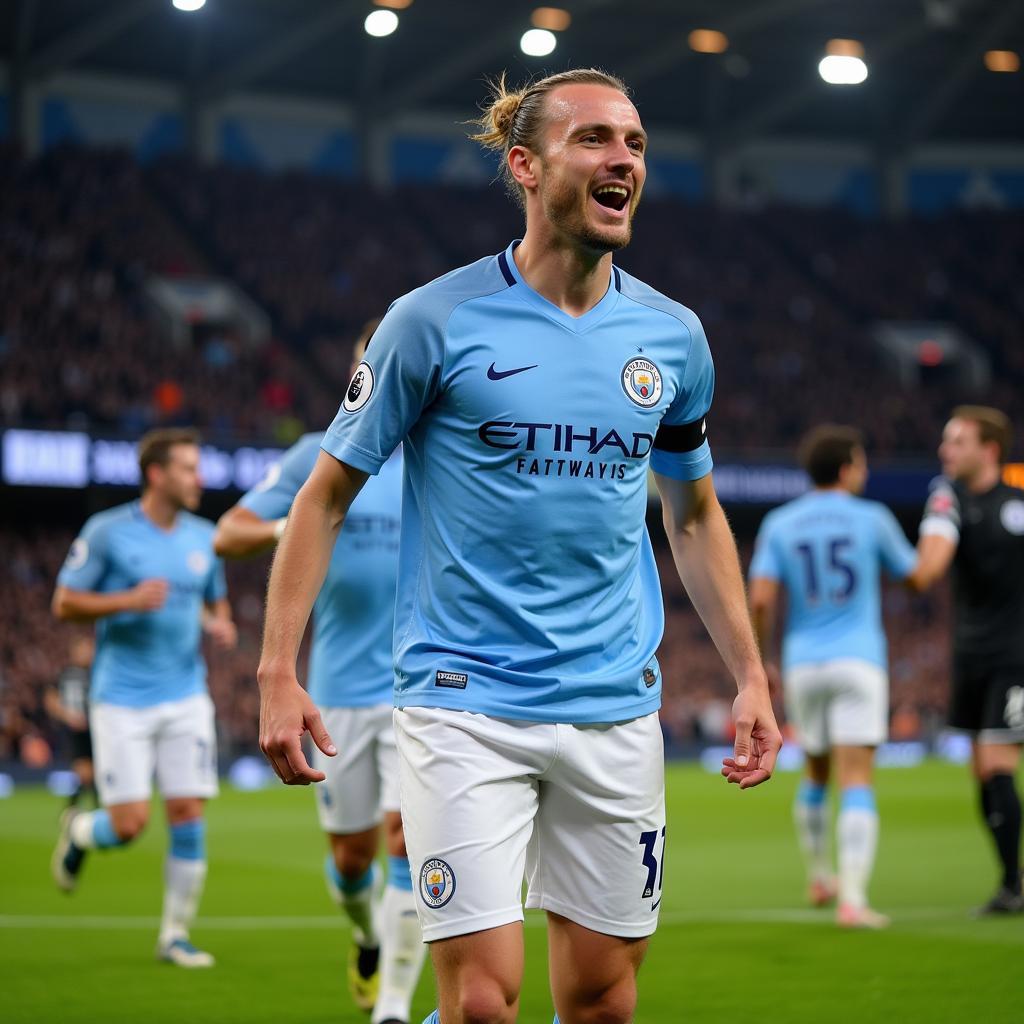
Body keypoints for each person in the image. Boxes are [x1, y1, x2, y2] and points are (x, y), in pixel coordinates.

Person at [256, 68, 781, 1024]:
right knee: (483, 1003)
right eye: (595, 140)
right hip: (464, 706)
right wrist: (276, 671)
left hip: (616, 707)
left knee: (604, 1002)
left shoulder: (673, 338)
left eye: (634, 143)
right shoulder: (432, 321)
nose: (623, 159)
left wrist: (748, 673)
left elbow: (695, 516)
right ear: (526, 166)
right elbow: (323, 496)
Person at [214, 322, 426, 1024]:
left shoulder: (442, 455)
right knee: (350, 859)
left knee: (406, 841)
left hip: (422, 692)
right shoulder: (320, 455)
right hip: (336, 694)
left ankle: (392, 1006)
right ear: (361, 368)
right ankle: (368, 938)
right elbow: (229, 532)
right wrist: (304, 524)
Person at [49, 427, 237, 966]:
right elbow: (64, 604)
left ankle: (173, 936)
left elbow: (214, 603)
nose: (199, 479)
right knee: (129, 825)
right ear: (157, 474)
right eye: (188, 469)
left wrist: (218, 624)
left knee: (186, 811)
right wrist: (126, 600)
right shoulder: (108, 532)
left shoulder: (206, 537)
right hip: (122, 698)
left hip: (185, 695)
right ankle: (81, 831)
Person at [748, 425, 920, 928]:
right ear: (846, 468)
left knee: (816, 773)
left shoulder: (781, 523)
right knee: (857, 778)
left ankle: (821, 875)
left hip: (804, 663)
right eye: (861, 463)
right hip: (859, 660)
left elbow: (759, 598)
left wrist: (762, 661)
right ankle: (854, 900)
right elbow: (914, 575)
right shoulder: (871, 518)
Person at [912, 406, 1024, 915]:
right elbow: (935, 553)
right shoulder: (947, 496)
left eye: (957, 441)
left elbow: (932, 563)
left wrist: (923, 570)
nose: (946, 450)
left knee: (999, 764)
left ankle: (1012, 885)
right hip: (970, 655)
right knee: (982, 771)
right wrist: (922, 570)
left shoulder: (1018, 502)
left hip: (1014, 657)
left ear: (989, 450)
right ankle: (1010, 880)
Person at [45, 635, 97, 808]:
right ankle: (77, 810)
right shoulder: (64, 674)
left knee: (95, 773)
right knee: (84, 772)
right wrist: (67, 715)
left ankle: (74, 810)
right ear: (74, 651)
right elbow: (50, 699)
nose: (87, 653)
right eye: (83, 649)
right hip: (76, 732)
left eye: (89, 649)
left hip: (98, 728)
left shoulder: (97, 672)